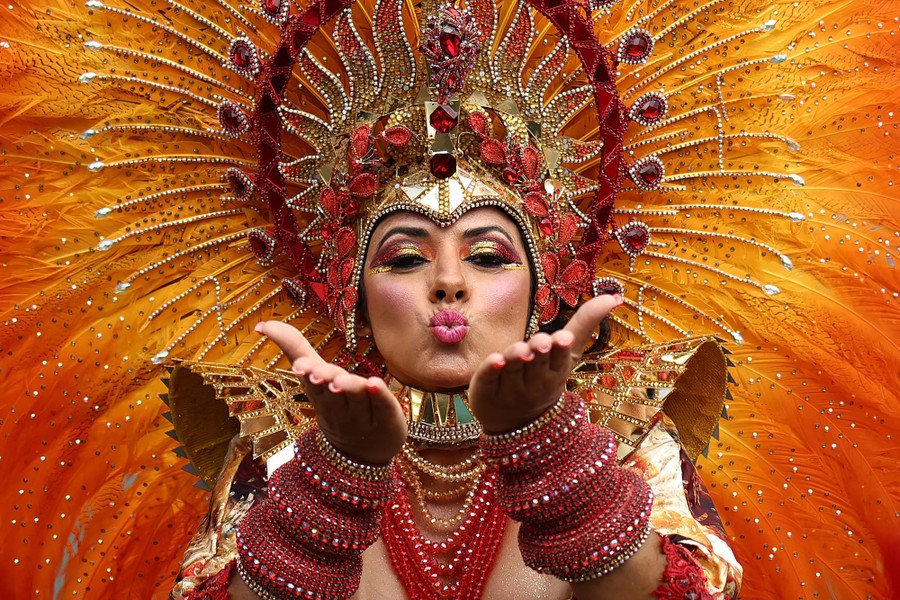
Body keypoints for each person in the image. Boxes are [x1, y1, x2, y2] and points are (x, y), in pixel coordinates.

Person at [1, 0, 897, 597]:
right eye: (403, 255)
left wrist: (545, 448)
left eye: (487, 250)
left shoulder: (625, 438)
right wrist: (338, 478)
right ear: (346, 298)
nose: (448, 281)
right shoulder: (282, 454)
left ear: (549, 287)